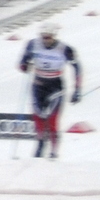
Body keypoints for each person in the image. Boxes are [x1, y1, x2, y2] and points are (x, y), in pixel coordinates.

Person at [18, 21, 82, 158]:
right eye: (43, 37)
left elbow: (77, 67)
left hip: (55, 87)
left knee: (52, 121)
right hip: (38, 85)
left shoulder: (64, 49)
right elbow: (23, 62)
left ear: (54, 36)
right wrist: (24, 65)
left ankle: (54, 152)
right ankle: (40, 146)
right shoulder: (33, 44)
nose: (45, 40)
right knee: (38, 118)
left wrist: (77, 89)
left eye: (48, 37)